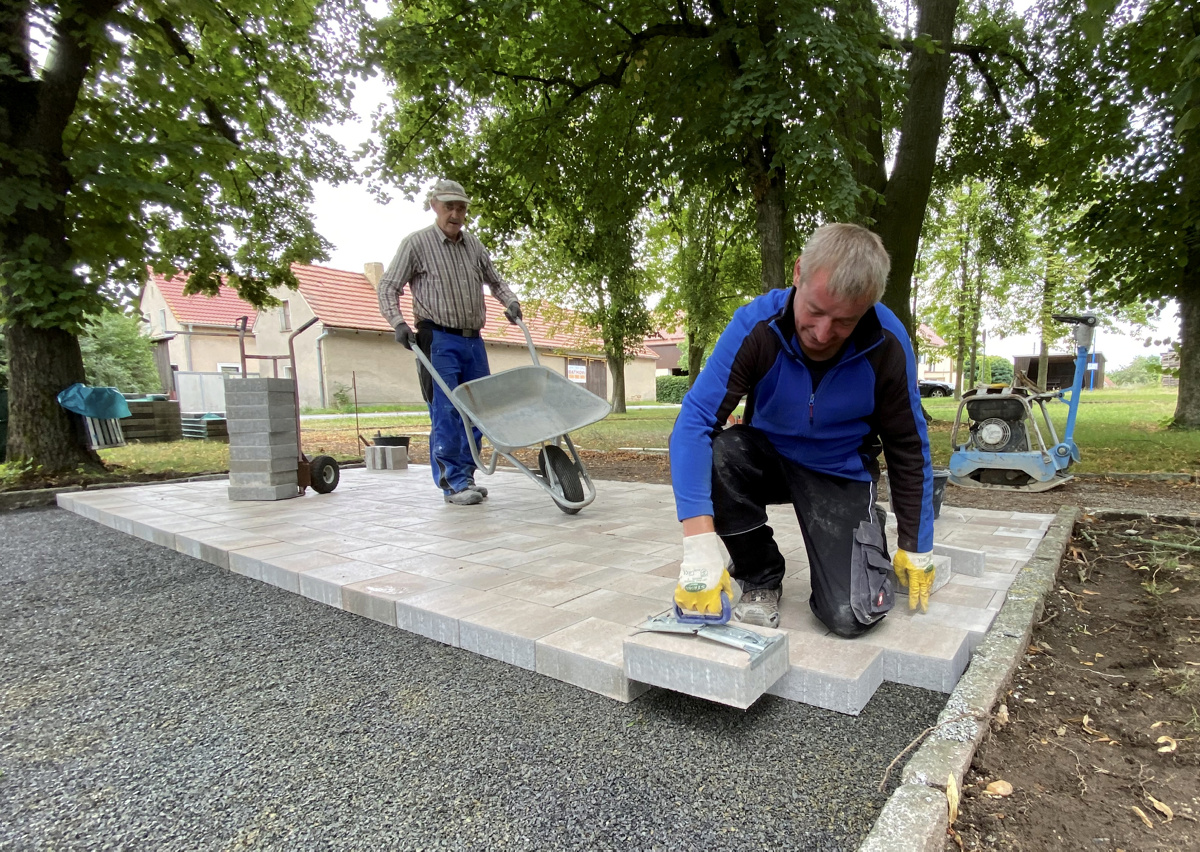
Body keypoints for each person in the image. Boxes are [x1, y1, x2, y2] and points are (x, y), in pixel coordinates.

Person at [668, 223, 936, 637]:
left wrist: (917, 543)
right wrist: (698, 548)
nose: (823, 333)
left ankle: (863, 521)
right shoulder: (757, 326)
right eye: (814, 310)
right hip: (769, 459)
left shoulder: (888, 343)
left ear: (868, 307)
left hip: (839, 470)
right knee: (722, 452)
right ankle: (760, 572)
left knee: (850, 617)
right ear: (798, 273)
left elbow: (908, 445)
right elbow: (693, 423)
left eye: (844, 322)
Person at [377, 179, 523, 506]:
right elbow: (387, 287)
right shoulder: (416, 244)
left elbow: (496, 282)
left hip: (473, 340)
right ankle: (452, 483)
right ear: (435, 206)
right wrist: (398, 323)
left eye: (461, 207)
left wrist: (511, 302)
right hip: (436, 339)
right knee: (447, 412)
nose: (456, 214)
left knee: (477, 411)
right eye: (449, 207)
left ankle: (466, 476)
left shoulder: (473, 246)